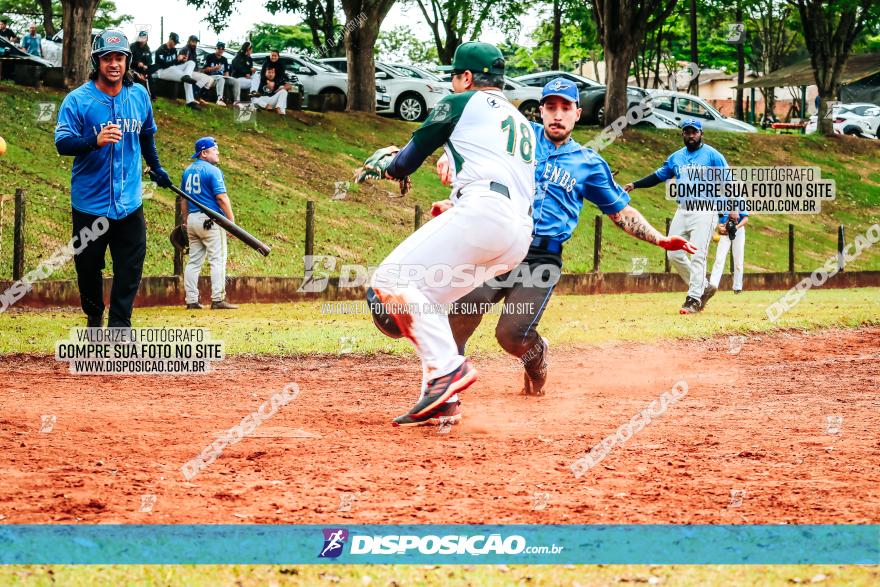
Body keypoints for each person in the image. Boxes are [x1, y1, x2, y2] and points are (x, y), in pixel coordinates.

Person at [442, 78, 696, 400]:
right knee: (461, 310)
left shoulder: (588, 165)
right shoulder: (519, 141)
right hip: (499, 245)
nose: (557, 115)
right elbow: (480, 162)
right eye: (551, 107)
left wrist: (660, 240)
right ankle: (447, 391)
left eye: (565, 108)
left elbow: (620, 211)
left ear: (577, 114)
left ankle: (538, 359)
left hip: (541, 258)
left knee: (511, 335)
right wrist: (451, 172)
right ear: (541, 111)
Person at [355, 42, 536, 426]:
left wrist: (388, 166)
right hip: (517, 234)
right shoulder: (522, 123)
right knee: (425, 301)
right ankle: (442, 400)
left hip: (485, 214)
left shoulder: (462, 102)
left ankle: (447, 372)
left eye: (455, 76)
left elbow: (408, 158)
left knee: (387, 283)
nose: (453, 84)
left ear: (467, 77)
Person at [54, 30, 173, 327]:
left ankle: (120, 328)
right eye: (107, 58)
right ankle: (94, 316)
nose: (114, 64)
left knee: (130, 268)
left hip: (129, 202)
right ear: (97, 61)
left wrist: (157, 168)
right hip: (89, 204)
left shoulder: (139, 95)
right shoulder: (78, 100)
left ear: (127, 61)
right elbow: (62, 143)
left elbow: (146, 137)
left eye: (119, 57)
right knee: (88, 269)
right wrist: (94, 140)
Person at [624, 119, 728, 314]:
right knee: (673, 252)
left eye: (694, 132)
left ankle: (694, 299)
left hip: (706, 208)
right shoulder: (676, 158)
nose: (691, 135)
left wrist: (729, 212)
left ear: (701, 133)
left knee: (698, 254)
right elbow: (658, 176)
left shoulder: (713, 156)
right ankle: (703, 288)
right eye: (687, 132)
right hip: (683, 208)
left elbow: (727, 183)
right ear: (682, 134)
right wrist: (635, 184)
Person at [180, 137, 238, 310]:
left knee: (194, 261)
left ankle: (191, 300)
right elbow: (221, 198)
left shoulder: (188, 171)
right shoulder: (213, 171)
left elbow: (183, 198)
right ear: (204, 153)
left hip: (192, 220)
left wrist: (185, 219)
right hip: (210, 221)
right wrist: (231, 222)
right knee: (217, 260)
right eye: (214, 149)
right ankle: (218, 299)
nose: (218, 152)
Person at [152, 32, 202, 110]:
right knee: (182, 75)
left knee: (191, 63)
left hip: (173, 70)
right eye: (174, 42)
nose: (175, 44)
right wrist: (176, 60)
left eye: (176, 42)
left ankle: (190, 101)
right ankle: (190, 98)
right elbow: (163, 65)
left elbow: (175, 63)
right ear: (170, 39)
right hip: (162, 71)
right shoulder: (161, 49)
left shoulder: (174, 50)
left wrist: (182, 60)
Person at [709, 211, 748, 294]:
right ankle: (712, 285)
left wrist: (736, 227)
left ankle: (737, 287)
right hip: (724, 232)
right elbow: (715, 216)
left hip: (738, 231)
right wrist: (719, 226)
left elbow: (745, 219)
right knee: (719, 258)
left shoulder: (739, 199)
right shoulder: (720, 200)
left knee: (738, 258)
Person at [178, 34, 216, 101]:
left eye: (195, 42)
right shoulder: (185, 49)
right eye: (193, 42)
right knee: (205, 78)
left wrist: (199, 70)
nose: (194, 43)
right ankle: (194, 96)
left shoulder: (193, 51)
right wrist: (183, 60)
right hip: (186, 72)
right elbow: (181, 61)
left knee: (210, 79)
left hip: (193, 71)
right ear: (189, 41)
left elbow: (195, 64)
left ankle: (199, 97)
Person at [203, 41, 238, 106]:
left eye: (222, 49)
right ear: (216, 48)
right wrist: (214, 68)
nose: (221, 50)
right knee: (221, 78)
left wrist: (227, 76)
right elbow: (205, 70)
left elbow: (226, 71)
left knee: (235, 81)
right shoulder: (210, 57)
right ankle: (219, 100)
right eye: (219, 48)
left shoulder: (224, 59)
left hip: (221, 78)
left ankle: (236, 101)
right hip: (211, 78)